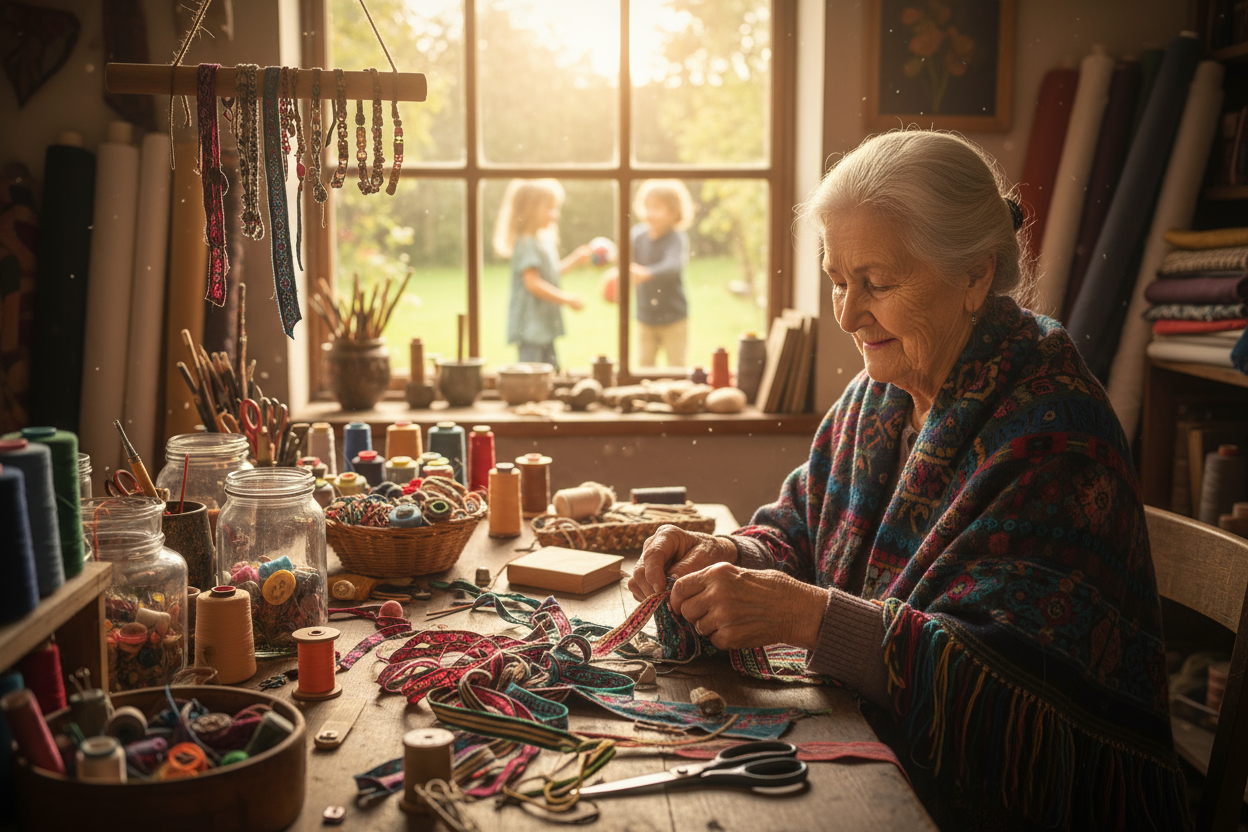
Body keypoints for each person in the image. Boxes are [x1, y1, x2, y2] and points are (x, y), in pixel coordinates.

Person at [628, 131, 1188, 831]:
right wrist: (726, 555)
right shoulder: (881, 394)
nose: (847, 314)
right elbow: (798, 528)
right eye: (838, 280)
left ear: (975, 276)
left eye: (878, 283)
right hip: (881, 758)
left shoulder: (1057, 434)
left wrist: (804, 616)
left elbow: (1007, 698)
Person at [494, 179, 591, 370]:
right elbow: (533, 283)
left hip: (543, 325)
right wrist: (566, 299)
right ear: (529, 211)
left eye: (555, 208)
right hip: (531, 326)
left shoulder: (542, 241)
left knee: (551, 370)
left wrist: (575, 260)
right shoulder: (526, 242)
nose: (554, 214)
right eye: (549, 208)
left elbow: (550, 274)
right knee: (530, 371)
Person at [607, 179, 694, 367]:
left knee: (677, 368)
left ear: (674, 212)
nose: (650, 213)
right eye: (647, 207)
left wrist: (646, 273)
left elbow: (673, 266)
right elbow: (624, 262)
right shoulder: (637, 236)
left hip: (674, 318)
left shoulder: (676, 238)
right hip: (645, 317)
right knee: (644, 367)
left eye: (657, 207)